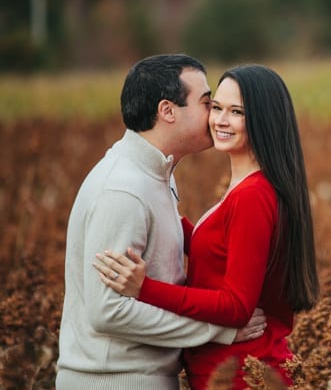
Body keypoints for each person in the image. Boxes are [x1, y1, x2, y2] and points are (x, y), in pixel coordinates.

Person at [94, 64, 320, 388]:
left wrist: (144, 289)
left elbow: (236, 307)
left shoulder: (252, 196)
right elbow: (215, 247)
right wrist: (158, 204)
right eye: (216, 107)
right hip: (233, 370)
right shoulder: (250, 187)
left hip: (242, 375)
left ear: (263, 120)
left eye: (236, 112)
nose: (220, 120)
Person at [57, 55, 267, 390]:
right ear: (167, 111)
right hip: (114, 381)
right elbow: (108, 311)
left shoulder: (156, 176)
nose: (214, 116)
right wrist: (216, 331)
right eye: (207, 103)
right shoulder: (123, 190)